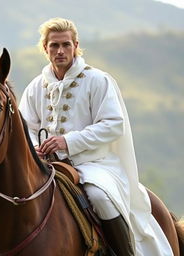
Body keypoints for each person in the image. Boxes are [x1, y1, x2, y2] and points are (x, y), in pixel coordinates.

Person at [19, 17, 173, 255]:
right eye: (54, 46)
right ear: (45, 48)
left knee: (100, 197)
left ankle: (123, 252)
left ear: (76, 45)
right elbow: (25, 126)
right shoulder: (35, 87)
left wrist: (68, 142)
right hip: (45, 166)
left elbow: (113, 124)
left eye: (66, 45)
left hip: (93, 165)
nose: (60, 51)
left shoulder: (97, 80)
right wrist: (34, 146)